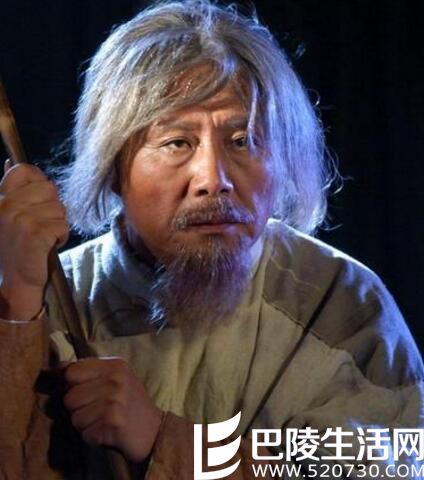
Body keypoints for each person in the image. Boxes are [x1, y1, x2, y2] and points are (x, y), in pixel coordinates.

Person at [0, 1, 422, 479]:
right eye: (177, 142)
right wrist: (17, 307)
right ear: (112, 166)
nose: (213, 179)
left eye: (243, 141)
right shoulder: (50, 299)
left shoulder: (340, 303)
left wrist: (165, 440)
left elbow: (378, 468)